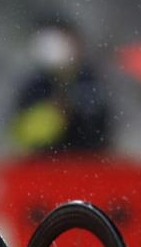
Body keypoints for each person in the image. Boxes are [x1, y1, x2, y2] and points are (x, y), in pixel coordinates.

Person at [10, 15, 112, 153]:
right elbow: (22, 133)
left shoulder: (91, 80)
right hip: (44, 166)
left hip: (88, 165)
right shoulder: (36, 85)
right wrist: (53, 115)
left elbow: (104, 129)